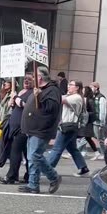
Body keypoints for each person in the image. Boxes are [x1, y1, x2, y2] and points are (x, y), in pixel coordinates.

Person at [18, 66, 62, 194]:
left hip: (42, 129)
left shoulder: (52, 90)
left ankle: (54, 177)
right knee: (31, 158)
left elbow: (51, 108)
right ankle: (33, 184)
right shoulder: (41, 89)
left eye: (34, 76)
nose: (32, 78)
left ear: (40, 77)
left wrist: (40, 96)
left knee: (35, 156)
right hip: (33, 128)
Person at [47, 80, 90, 177]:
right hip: (70, 126)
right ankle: (83, 167)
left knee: (56, 149)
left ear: (77, 87)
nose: (68, 86)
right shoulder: (73, 96)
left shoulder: (76, 97)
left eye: (71, 85)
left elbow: (60, 100)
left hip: (68, 126)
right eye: (68, 84)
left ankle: (47, 168)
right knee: (72, 149)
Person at [0, 73, 34, 184]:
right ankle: (29, 175)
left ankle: (12, 176)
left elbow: (25, 105)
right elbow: (16, 106)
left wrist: (15, 97)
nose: (26, 81)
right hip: (15, 126)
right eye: (25, 79)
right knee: (26, 152)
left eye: (29, 79)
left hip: (23, 127)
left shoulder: (33, 93)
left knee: (15, 151)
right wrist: (12, 102)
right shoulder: (20, 91)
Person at [77, 86, 100, 160]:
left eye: (84, 90)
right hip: (87, 121)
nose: (82, 92)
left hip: (88, 122)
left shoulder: (89, 101)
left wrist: (85, 113)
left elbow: (93, 112)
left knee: (84, 137)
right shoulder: (86, 100)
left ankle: (77, 151)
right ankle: (96, 153)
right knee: (87, 138)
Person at [90, 81, 107, 160]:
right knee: (87, 137)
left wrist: (102, 123)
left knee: (100, 138)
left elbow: (102, 111)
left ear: (96, 88)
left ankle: (104, 153)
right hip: (94, 121)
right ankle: (101, 152)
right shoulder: (93, 97)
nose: (90, 89)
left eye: (92, 87)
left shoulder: (101, 97)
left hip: (98, 122)